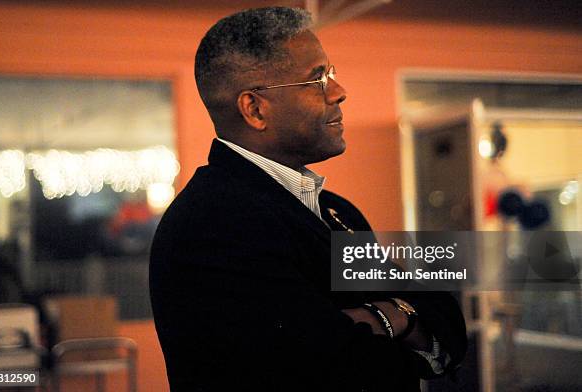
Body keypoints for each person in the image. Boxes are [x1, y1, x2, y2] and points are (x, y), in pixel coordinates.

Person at [150, 7, 466, 391]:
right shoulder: (211, 224)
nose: (338, 91)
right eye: (317, 79)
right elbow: (338, 368)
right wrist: (399, 318)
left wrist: (391, 317)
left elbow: (446, 316)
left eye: (330, 74)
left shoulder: (336, 210)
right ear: (254, 109)